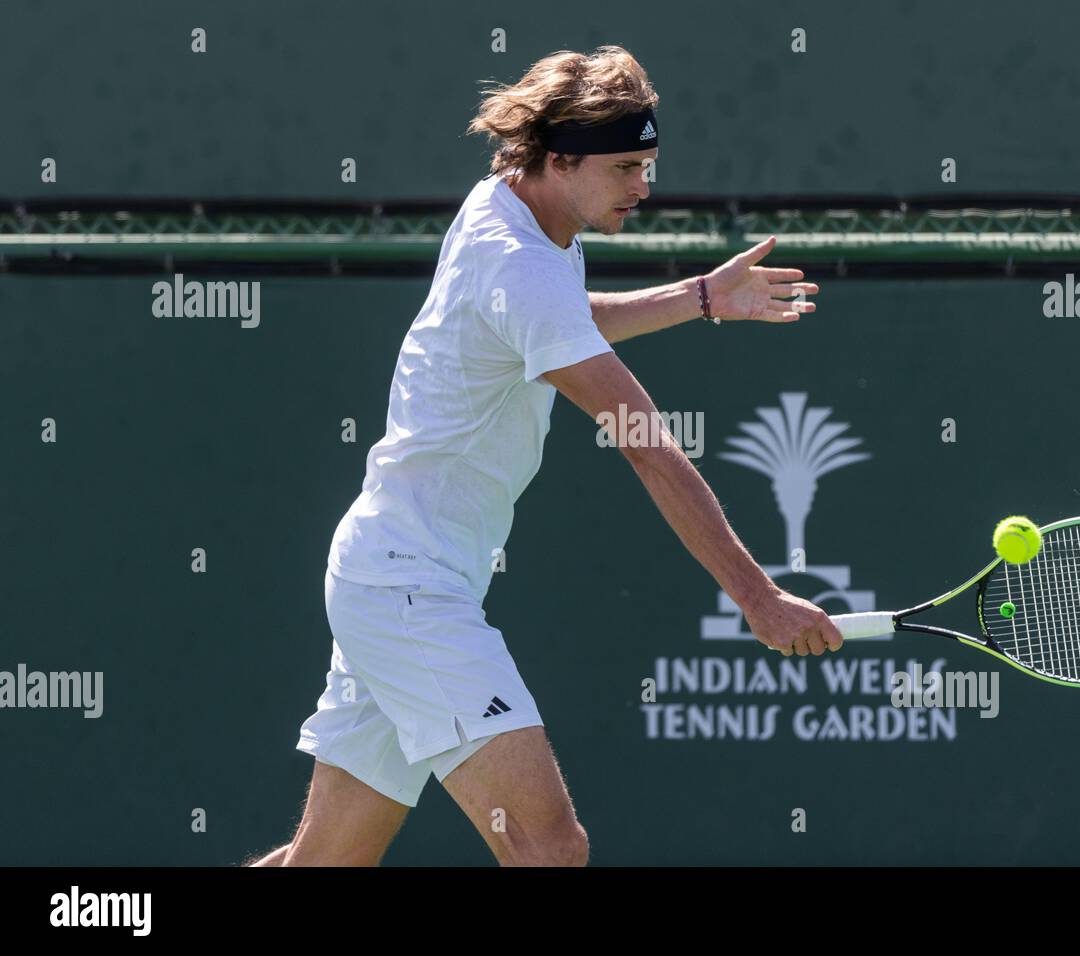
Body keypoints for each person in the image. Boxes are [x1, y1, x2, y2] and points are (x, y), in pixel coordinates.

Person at [247, 45, 840, 868]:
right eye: (628, 167)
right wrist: (758, 596)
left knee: (325, 863)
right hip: (409, 590)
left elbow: (558, 316)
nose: (644, 188)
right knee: (549, 850)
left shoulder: (515, 209)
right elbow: (646, 442)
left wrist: (699, 297)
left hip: (394, 571)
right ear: (560, 159)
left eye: (650, 166)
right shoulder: (518, 260)